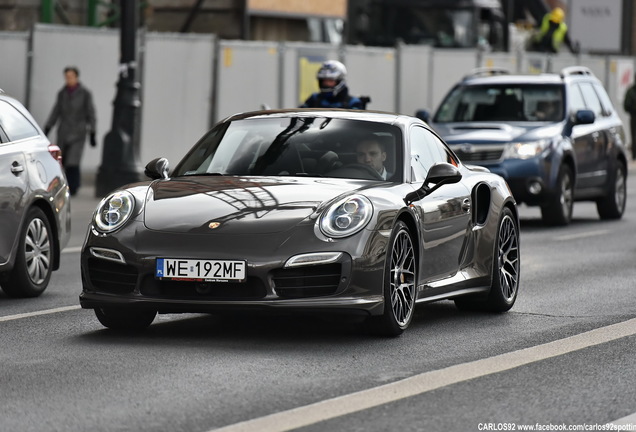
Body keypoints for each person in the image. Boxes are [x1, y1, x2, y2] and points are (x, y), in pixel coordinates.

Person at [44, 66, 97, 196]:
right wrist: (48, 127)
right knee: (62, 160)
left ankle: (74, 186)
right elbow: (56, 111)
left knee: (73, 160)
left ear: (76, 77)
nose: (68, 79)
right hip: (64, 131)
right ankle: (63, 184)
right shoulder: (62, 93)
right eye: (66, 77)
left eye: (71, 77)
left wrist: (93, 132)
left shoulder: (85, 94)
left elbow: (91, 113)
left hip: (78, 132)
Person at [301, 60, 369, 109]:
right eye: (324, 81)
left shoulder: (353, 102)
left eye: (330, 81)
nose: (326, 84)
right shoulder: (314, 99)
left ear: (340, 81)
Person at [623, 75, 636, 160]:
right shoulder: (631, 91)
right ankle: (634, 154)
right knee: (634, 136)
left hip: (633, 116)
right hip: (634, 116)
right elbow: (626, 106)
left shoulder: (631, 91)